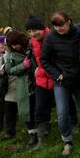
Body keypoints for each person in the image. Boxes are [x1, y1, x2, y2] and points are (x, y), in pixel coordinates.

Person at [40, 11, 80, 156]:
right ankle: (67, 140)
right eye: (55, 26)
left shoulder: (79, 31)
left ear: (69, 21)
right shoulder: (50, 38)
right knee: (62, 112)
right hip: (61, 81)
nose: (58, 28)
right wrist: (57, 74)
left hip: (79, 78)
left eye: (61, 25)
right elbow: (44, 60)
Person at [0, 31, 36, 144]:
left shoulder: (30, 46)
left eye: (16, 43)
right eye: (12, 45)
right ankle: (32, 134)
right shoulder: (9, 54)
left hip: (37, 81)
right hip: (23, 86)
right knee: (26, 110)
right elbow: (9, 70)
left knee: (38, 108)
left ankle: (44, 128)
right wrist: (22, 66)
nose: (15, 46)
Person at [25, 15, 54, 150]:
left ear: (42, 28)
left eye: (35, 30)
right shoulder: (32, 42)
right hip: (41, 78)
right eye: (29, 31)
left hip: (56, 76)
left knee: (64, 106)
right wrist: (35, 69)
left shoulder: (53, 36)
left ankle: (73, 127)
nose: (32, 34)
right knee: (39, 107)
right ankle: (41, 138)